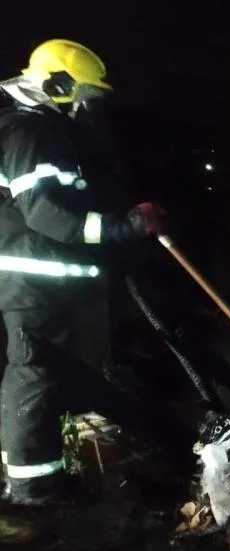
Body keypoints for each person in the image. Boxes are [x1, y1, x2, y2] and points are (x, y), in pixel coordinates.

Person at [0, 39, 165, 507]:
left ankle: (44, 478)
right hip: (30, 280)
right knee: (32, 372)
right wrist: (121, 228)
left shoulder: (47, 133)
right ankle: (31, 488)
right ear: (59, 85)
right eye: (88, 97)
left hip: (47, 280)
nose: (92, 109)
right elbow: (46, 214)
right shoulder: (30, 132)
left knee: (51, 375)